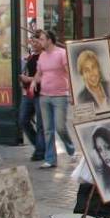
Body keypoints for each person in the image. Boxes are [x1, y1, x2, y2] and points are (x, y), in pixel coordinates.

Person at [30, 30, 76, 169]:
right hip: (44, 96)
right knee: (47, 129)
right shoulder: (42, 56)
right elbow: (39, 73)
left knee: (60, 127)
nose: (40, 42)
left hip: (60, 96)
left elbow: (69, 73)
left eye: (43, 39)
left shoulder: (61, 54)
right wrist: (33, 82)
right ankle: (50, 159)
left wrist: (73, 92)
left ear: (50, 40)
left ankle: (71, 149)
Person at [19, 36, 45, 162]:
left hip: (41, 93)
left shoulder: (44, 57)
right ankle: (39, 146)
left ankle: (40, 152)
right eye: (32, 41)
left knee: (41, 124)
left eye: (36, 41)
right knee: (23, 120)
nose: (33, 43)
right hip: (29, 93)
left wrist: (27, 79)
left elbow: (43, 76)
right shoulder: (31, 56)